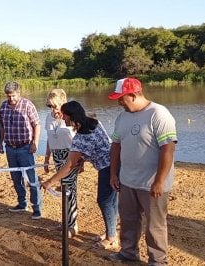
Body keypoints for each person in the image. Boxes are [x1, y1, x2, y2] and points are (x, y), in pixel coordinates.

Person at [106, 77, 177, 265]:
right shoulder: (122, 117)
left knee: (155, 225)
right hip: (127, 180)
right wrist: (113, 173)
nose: (119, 102)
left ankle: (158, 261)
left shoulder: (158, 114)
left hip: (151, 183)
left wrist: (160, 180)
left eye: (122, 98)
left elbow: (168, 148)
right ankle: (128, 253)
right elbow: (115, 145)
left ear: (133, 94)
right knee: (129, 221)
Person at [42, 101, 118, 248]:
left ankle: (111, 237)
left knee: (105, 201)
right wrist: (83, 159)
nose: (63, 118)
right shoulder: (94, 122)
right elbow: (98, 144)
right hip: (115, 162)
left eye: (65, 115)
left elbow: (69, 165)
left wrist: (50, 182)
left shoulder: (80, 138)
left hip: (107, 168)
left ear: (71, 116)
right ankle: (112, 231)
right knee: (112, 200)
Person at [0, 81, 43, 220]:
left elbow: (37, 124)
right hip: (10, 148)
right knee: (16, 178)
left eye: (13, 95)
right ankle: (22, 203)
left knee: (32, 178)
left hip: (25, 147)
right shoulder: (3, 107)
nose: (11, 98)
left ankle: (37, 208)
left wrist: (35, 142)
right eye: (8, 95)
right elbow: (2, 127)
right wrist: (0, 143)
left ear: (19, 93)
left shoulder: (27, 105)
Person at [43, 89, 79, 237]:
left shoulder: (71, 118)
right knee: (63, 189)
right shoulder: (48, 118)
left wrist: (79, 161)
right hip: (56, 156)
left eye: (56, 106)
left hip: (70, 155)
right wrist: (46, 158)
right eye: (50, 106)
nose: (53, 110)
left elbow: (78, 140)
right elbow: (50, 139)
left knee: (70, 190)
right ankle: (66, 221)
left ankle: (73, 225)